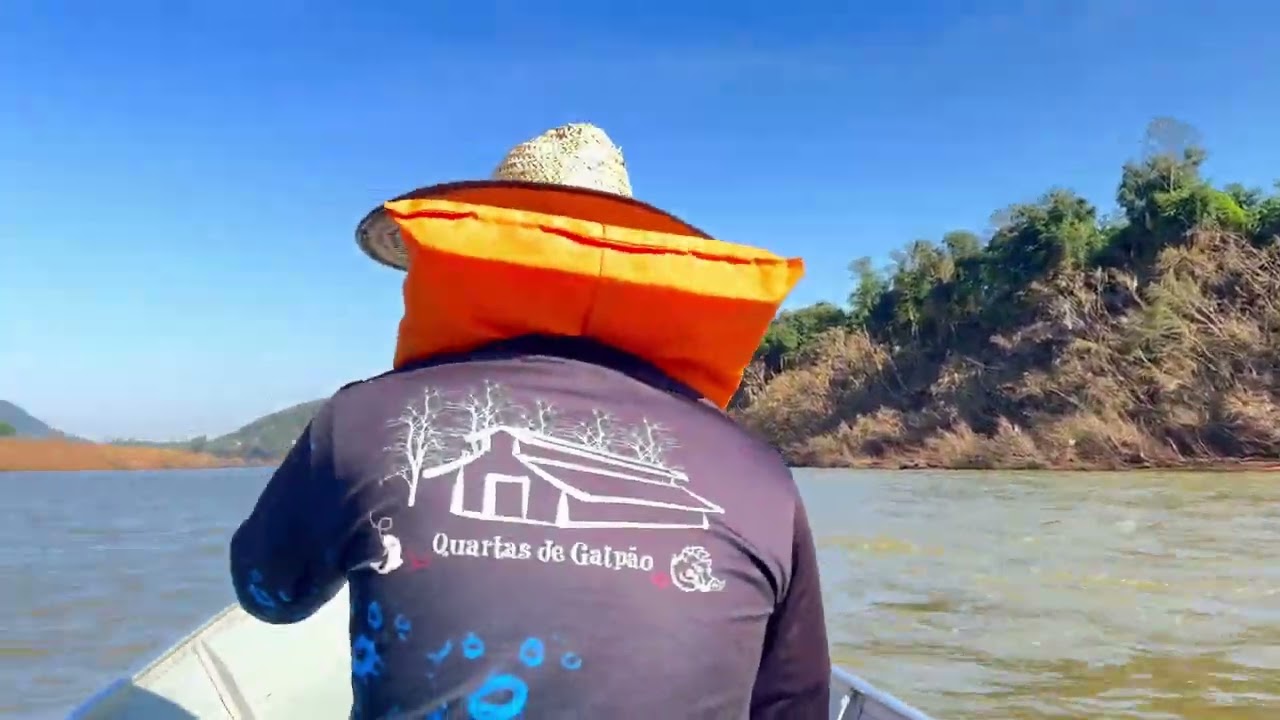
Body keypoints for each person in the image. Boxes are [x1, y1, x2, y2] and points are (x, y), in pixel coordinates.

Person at [229, 123, 831, 719]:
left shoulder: (361, 420)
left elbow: (270, 596)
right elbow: (795, 706)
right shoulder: (758, 472)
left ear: (471, 257)